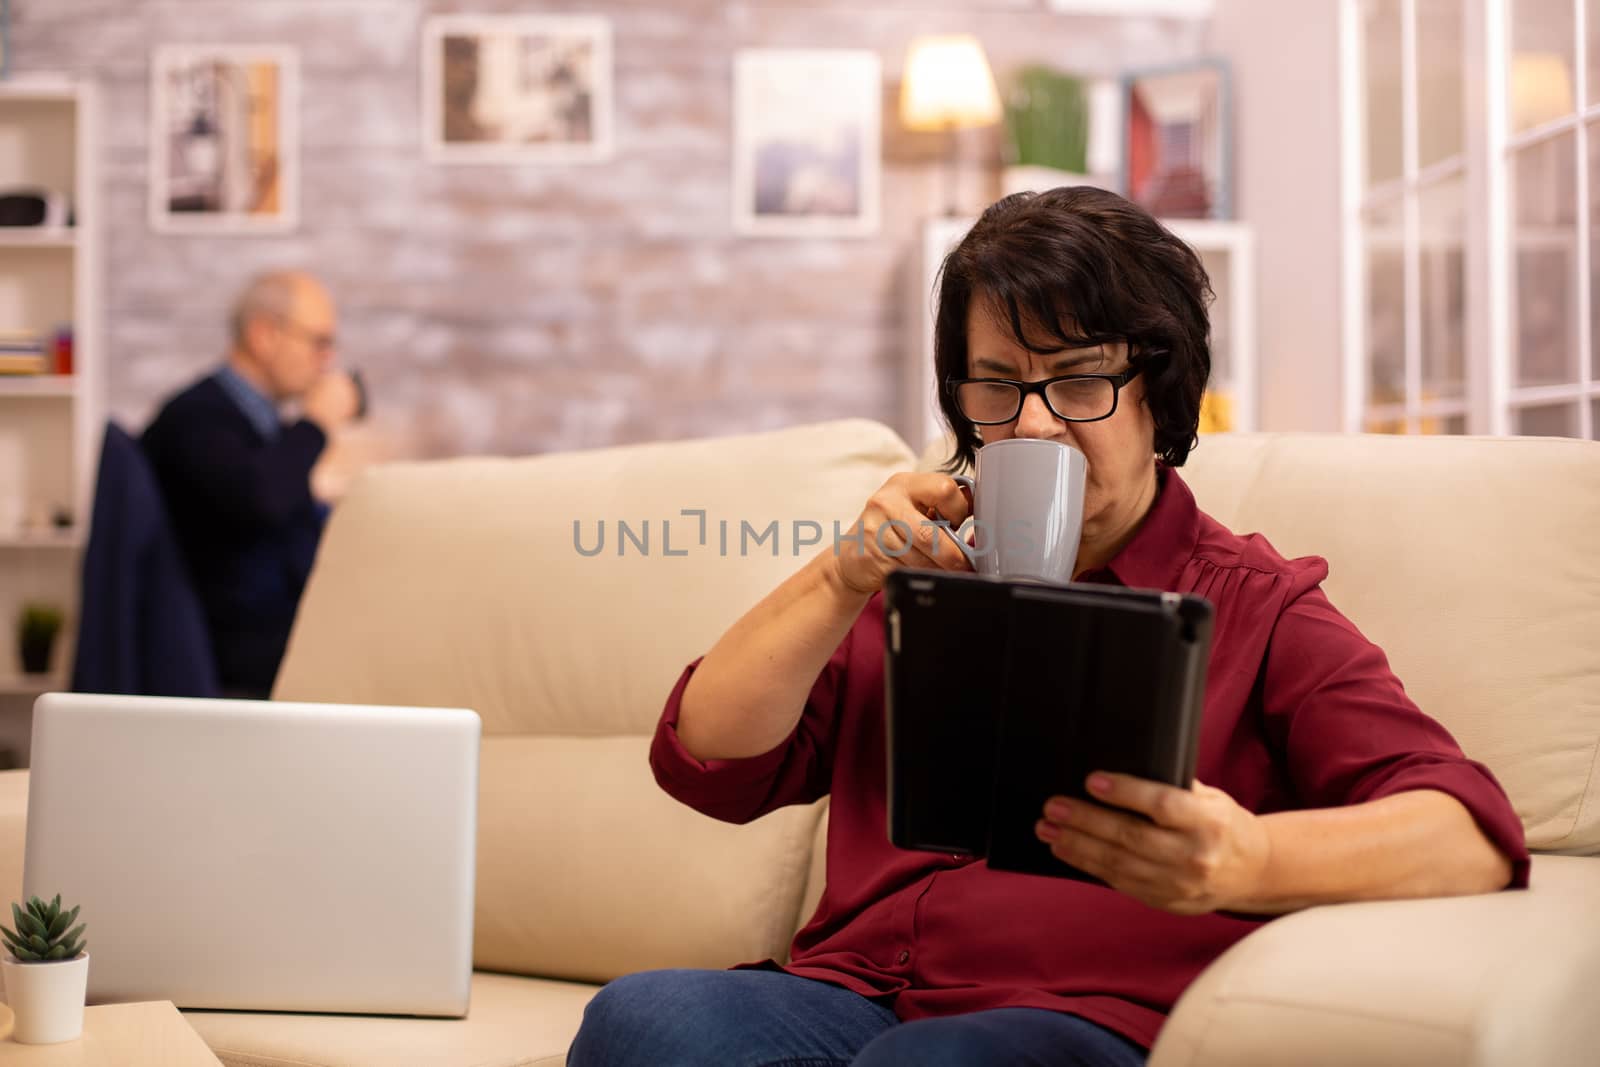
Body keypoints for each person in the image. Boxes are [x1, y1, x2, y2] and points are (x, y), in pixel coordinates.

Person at [565, 188, 1530, 1067]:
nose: (1033, 428)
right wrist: (841, 572)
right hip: (849, 997)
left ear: (1160, 393)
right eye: (997, 387)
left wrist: (1247, 861)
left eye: (1078, 383)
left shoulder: (1254, 604)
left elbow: (1469, 834)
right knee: (643, 1019)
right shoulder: (913, 579)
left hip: (1078, 1022)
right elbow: (706, 757)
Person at [142, 271, 362, 699]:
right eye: (318, 342)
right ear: (264, 335)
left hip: (273, 645)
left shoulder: (256, 424)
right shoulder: (196, 418)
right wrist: (317, 423)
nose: (326, 361)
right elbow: (262, 499)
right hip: (239, 659)